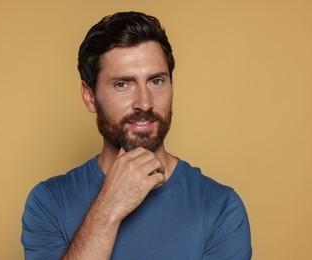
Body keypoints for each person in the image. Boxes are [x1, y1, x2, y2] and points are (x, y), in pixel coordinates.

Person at [21, 11, 252, 259]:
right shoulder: (48, 202)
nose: (144, 102)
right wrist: (108, 208)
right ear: (90, 97)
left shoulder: (220, 207)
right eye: (123, 84)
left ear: (172, 87)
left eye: (156, 81)